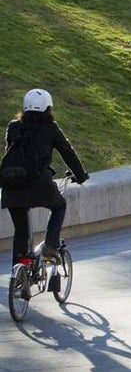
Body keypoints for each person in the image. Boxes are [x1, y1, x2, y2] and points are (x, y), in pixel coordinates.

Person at [3, 89, 88, 275]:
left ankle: (19, 274)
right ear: (48, 109)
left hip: (12, 186)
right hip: (39, 185)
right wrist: (80, 175)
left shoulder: (13, 127)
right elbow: (68, 152)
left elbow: (11, 152)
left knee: (21, 230)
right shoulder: (51, 129)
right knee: (59, 206)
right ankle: (50, 244)